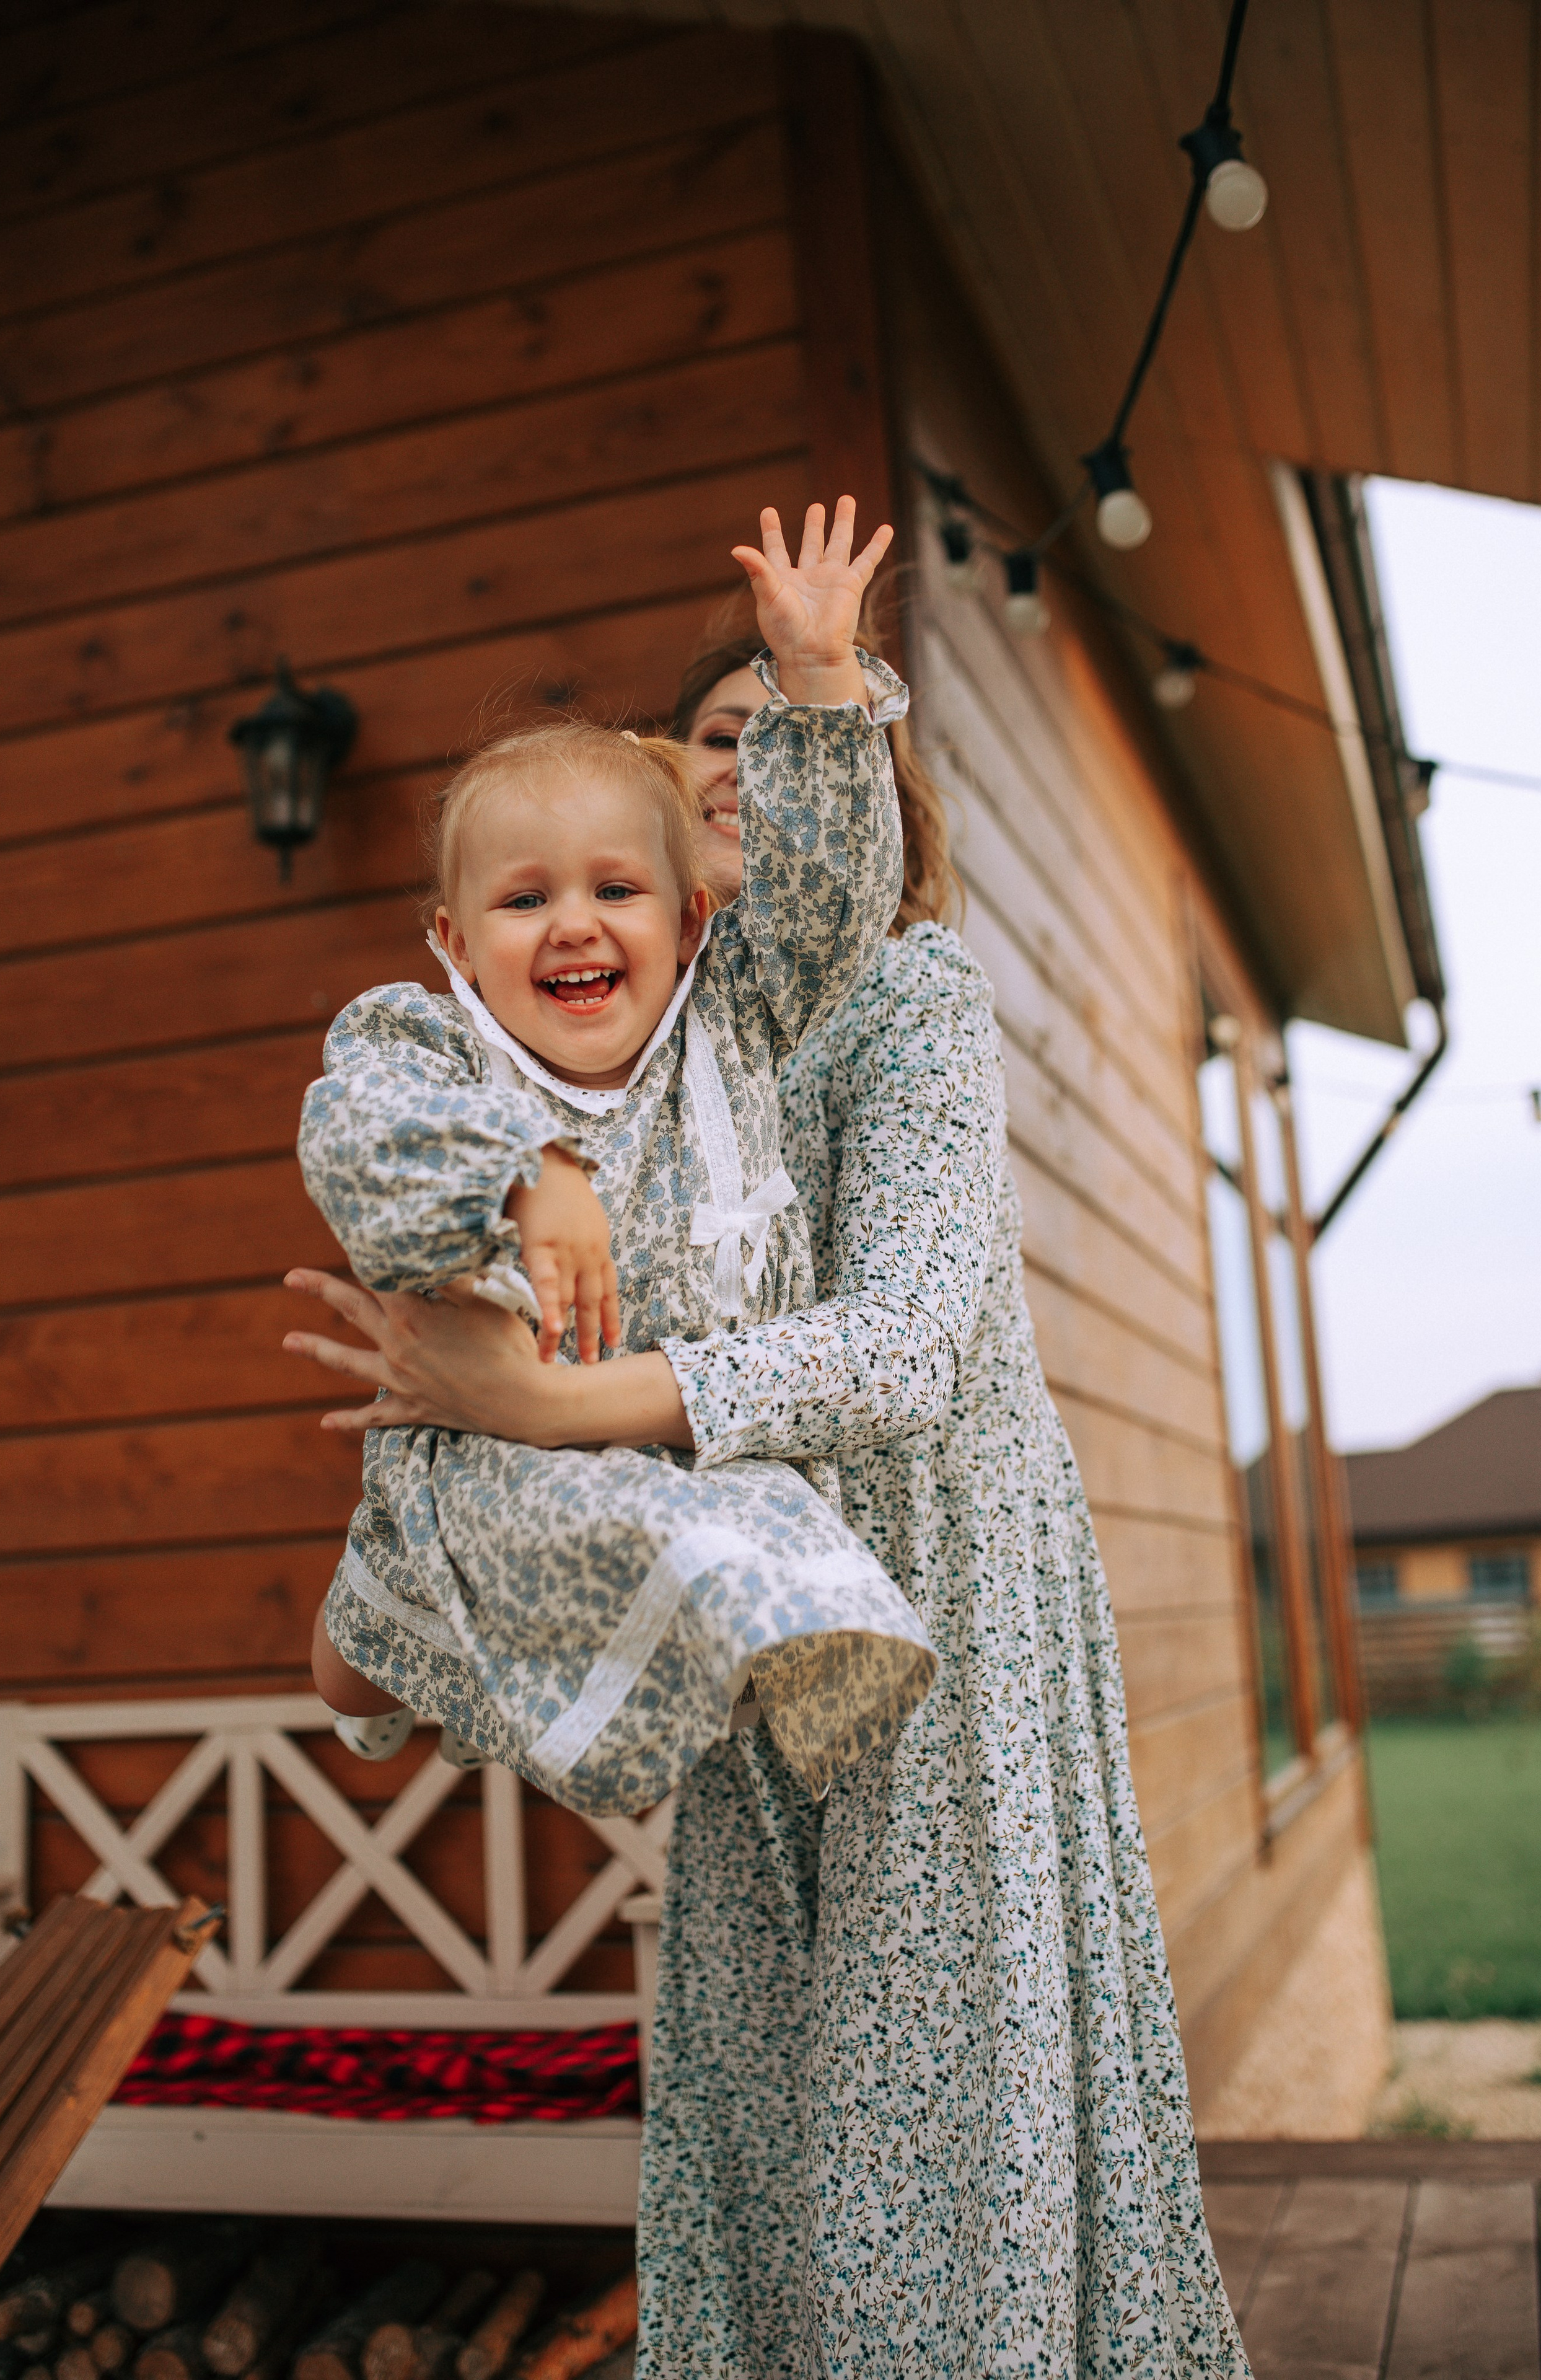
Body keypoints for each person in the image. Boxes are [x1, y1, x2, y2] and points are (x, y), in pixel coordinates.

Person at [284, 599, 1250, 2376]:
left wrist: (547, 1404)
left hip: (921, 1583)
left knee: (938, 2079)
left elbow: (908, 1352)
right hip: (741, 1585)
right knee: (774, 2074)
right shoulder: (635, 1031)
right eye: (716, 741)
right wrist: (491, 1322)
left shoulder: (891, 984)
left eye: (780, 746)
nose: (748, 767)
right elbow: (400, 1144)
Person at [294, 498, 936, 1820]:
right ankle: (386, 1602)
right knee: (376, 1669)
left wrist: (820, 685)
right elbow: (358, 1135)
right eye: (523, 900)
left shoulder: (740, 1013)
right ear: (456, 941)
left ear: (694, 916)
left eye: (615, 891)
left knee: (785, 1572)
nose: (571, 925)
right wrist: (529, 1168)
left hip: (683, 1452)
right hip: (499, 1449)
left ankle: (490, 1646)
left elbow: (832, 898)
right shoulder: (421, 1039)